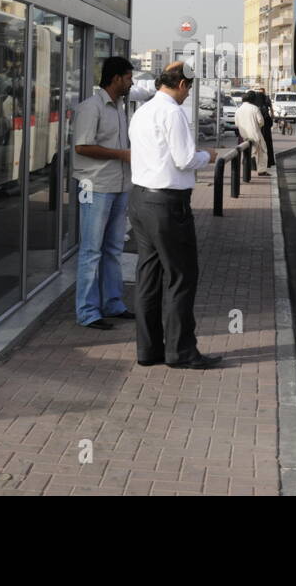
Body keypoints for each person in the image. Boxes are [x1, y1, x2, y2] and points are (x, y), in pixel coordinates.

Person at [127, 62, 221, 369]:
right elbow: (184, 159)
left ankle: (148, 350)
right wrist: (209, 155)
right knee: (181, 277)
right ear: (181, 84)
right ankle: (181, 352)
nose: (189, 93)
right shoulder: (172, 113)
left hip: (141, 199)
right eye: (189, 88)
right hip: (168, 204)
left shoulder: (142, 111)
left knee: (148, 277)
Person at [71, 56, 136, 330]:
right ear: (116, 78)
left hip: (119, 186)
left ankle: (112, 303)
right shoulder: (91, 107)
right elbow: (82, 147)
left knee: (113, 248)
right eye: (129, 77)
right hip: (95, 187)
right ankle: (87, 311)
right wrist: (121, 154)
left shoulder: (120, 108)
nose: (131, 82)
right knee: (91, 251)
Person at [235, 90, 268, 174]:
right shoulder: (254, 108)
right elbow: (261, 122)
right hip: (255, 134)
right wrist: (257, 127)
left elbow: (237, 124)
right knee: (262, 152)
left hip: (244, 135)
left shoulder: (238, 110)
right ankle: (262, 170)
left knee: (247, 153)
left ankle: (246, 171)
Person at [253, 87, 276, 168]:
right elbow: (269, 122)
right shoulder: (264, 107)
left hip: (258, 132)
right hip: (266, 133)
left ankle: (256, 165)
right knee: (266, 147)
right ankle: (268, 163)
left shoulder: (255, 107)